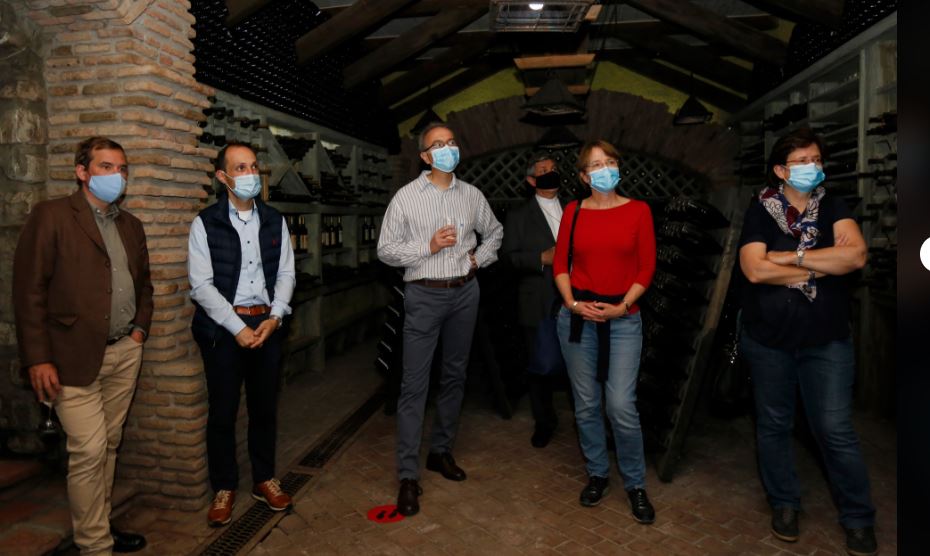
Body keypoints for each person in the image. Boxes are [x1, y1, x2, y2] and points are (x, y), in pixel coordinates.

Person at [738, 128, 876, 556]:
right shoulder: (760, 210)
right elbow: (754, 270)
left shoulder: (834, 205)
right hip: (769, 340)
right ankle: (784, 503)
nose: (812, 167)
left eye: (816, 159)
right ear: (781, 170)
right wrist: (822, 264)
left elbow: (855, 256)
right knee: (774, 425)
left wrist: (789, 257)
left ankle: (858, 518)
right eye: (802, 161)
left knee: (834, 429)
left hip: (826, 340)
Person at [13, 136, 153, 554]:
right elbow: (28, 291)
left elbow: (144, 285)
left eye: (122, 169)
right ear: (82, 172)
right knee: (90, 449)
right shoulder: (52, 216)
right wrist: (38, 358)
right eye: (106, 167)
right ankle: (95, 546)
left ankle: (99, 525)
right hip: (70, 356)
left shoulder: (130, 225)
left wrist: (139, 331)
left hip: (124, 352)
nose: (117, 176)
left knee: (109, 445)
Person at [377, 122, 503, 516]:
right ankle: (408, 475)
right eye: (438, 144)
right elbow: (385, 250)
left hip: (465, 292)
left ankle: (440, 451)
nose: (447, 148)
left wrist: (477, 259)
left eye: (451, 142)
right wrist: (427, 246)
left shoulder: (472, 195)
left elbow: (495, 232)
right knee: (414, 384)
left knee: (455, 375)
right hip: (424, 294)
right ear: (425, 156)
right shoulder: (406, 197)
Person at [188, 142, 296, 527]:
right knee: (223, 411)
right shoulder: (206, 223)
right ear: (223, 177)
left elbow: (286, 273)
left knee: (264, 408)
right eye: (240, 168)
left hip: (266, 324)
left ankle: (264, 478)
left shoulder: (274, 219)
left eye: (253, 166)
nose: (250, 174)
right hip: (223, 330)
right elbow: (201, 286)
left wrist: (276, 317)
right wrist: (236, 327)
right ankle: (224, 485)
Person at [552, 140, 657, 524]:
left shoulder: (639, 211)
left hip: (624, 317)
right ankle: (597, 473)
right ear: (584, 176)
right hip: (578, 317)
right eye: (596, 165)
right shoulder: (574, 211)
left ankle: (635, 483)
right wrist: (571, 303)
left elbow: (647, 266)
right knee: (586, 404)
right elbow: (560, 264)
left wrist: (622, 306)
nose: (605, 170)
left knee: (621, 405)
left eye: (610, 162)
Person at [501, 153, 565, 448]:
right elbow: (507, 259)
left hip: (576, 297)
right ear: (531, 180)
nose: (550, 173)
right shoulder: (519, 216)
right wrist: (540, 258)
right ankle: (544, 421)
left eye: (554, 169)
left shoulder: (577, 209)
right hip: (537, 298)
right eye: (543, 170)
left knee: (581, 361)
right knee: (540, 362)